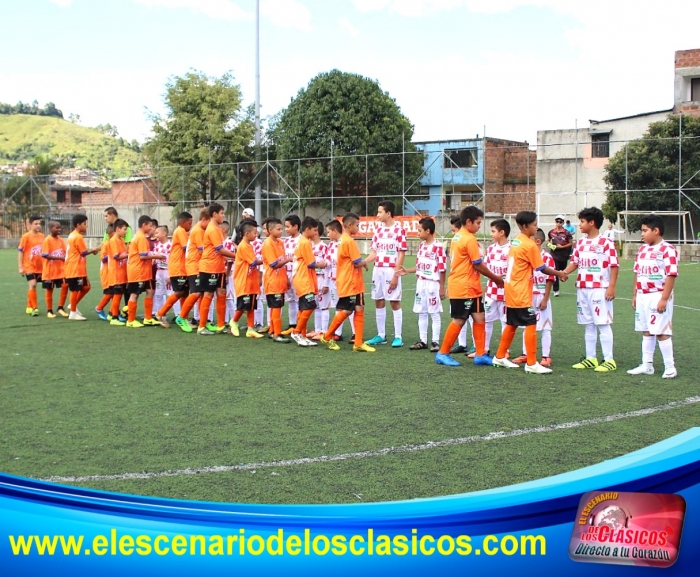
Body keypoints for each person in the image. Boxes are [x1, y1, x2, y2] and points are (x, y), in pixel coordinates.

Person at [491, 211, 568, 374]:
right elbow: (541, 268)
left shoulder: (517, 241)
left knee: (512, 324)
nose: (536, 226)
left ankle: (499, 356)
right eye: (534, 224)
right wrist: (559, 273)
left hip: (511, 288)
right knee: (531, 323)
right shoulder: (528, 244)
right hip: (520, 291)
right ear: (525, 226)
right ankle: (532, 363)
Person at [435, 205, 504, 367]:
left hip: (471, 286)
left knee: (480, 317)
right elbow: (478, 264)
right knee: (459, 319)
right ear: (468, 222)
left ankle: (480, 354)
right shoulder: (468, 239)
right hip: (463, 286)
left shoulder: (459, 236)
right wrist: (496, 279)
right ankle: (442, 352)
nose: (480, 226)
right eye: (478, 223)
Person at [563, 207, 620, 372]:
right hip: (583, 288)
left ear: (592, 222)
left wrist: (611, 287)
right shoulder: (580, 242)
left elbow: (614, 266)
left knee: (602, 323)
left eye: (582, 221)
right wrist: (564, 272)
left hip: (600, 288)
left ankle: (609, 359)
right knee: (588, 324)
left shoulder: (606, 243)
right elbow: (575, 262)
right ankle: (591, 358)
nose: (579, 225)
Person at [627, 215, 679, 379]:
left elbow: (671, 274)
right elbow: (637, 273)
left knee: (661, 330)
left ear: (656, 231)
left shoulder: (667, 250)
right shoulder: (642, 250)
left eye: (644, 230)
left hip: (658, 294)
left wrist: (664, 298)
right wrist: (635, 294)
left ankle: (670, 367)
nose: (641, 234)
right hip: (642, 295)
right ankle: (647, 365)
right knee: (647, 330)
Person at [320, 213, 375, 353]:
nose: (358, 227)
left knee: (359, 308)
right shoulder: (348, 241)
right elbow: (356, 262)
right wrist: (367, 261)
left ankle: (358, 343)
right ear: (349, 225)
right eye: (357, 225)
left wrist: (362, 263)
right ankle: (327, 336)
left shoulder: (345, 240)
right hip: (350, 282)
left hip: (352, 281)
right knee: (346, 310)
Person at [365, 201, 408, 348]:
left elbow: (401, 254)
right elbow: (374, 252)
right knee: (379, 300)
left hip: (391, 270)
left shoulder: (399, 230)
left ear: (388, 213)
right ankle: (381, 335)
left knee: (394, 301)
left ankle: (398, 336)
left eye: (380, 212)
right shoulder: (378, 230)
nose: (377, 215)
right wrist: (364, 261)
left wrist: (396, 275)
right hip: (378, 270)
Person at [399, 217, 446, 352]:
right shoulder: (421, 246)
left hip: (433, 284)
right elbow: (419, 266)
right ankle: (423, 340)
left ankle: (435, 342)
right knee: (421, 312)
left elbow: (442, 269)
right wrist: (407, 271)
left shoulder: (438, 247)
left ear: (428, 230)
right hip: (421, 283)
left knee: (434, 313)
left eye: (419, 230)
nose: (417, 233)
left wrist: (442, 287)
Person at [512, 229, 555, 366]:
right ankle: (526, 354)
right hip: (527, 296)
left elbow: (550, 278)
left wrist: (545, 298)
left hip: (541, 295)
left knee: (546, 326)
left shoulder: (546, 257)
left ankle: (545, 356)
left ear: (537, 241)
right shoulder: (527, 255)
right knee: (527, 325)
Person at [197, 203, 237, 335]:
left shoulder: (217, 228)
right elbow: (220, 250)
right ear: (214, 214)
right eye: (221, 213)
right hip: (209, 267)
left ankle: (220, 325)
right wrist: (237, 256)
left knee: (221, 293)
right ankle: (201, 326)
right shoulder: (213, 229)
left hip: (219, 267)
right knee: (208, 295)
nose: (223, 215)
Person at [173, 208, 210, 333]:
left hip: (197, 265)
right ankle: (181, 317)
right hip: (194, 265)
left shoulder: (198, 230)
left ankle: (202, 321)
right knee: (195, 293)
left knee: (201, 293)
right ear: (205, 219)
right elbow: (201, 249)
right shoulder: (198, 231)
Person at [125, 215, 165, 328]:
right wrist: (157, 256)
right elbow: (143, 256)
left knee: (150, 291)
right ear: (144, 225)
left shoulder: (139, 236)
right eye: (150, 225)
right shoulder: (141, 238)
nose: (152, 228)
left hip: (143, 271)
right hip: (137, 271)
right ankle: (130, 320)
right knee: (134, 294)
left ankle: (148, 318)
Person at [156, 212, 192, 328]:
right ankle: (160, 313)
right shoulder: (180, 231)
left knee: (185, 293)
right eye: (189, 223)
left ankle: (184, 318)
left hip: (182, 267)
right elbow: (186, 248)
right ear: (183, 222)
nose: (191, 225)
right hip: (178, 267)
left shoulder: (182, 231)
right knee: (180, 292)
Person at [291, 216, 323, 346]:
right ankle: (297, 332)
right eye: (314, 230)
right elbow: (311, 263)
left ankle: (302, 336)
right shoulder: (305, 243)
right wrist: (323, 263)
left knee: (303, 308)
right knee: (310, 306)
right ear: (307, 229)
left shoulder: (303, 241)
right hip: (304, 279)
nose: (316, 233)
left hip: (302, 277)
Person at [229, 221, 264, 338]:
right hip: (244, 281)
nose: (256, 235)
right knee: (243, 306)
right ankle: (233, 321)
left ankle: (250, 328)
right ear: (247, 233)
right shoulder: (243, 246)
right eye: (254, 233)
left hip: (251, 280)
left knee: (251, 306)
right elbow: (253, 262)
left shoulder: (249, 245)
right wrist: (268, 259)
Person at [261, 218, 293, 342]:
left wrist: (286, 279)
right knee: (276, 307)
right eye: (278, 229)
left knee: (276, 306)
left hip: (279, 280)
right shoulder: (268, 244)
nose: (281, 231)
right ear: (270, 230)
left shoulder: (280, 242)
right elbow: (274, 264)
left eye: (281, 229)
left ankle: (273, 331)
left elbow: (281, 262)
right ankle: (277, 334)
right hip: (273, 280)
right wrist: (289, 259)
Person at [483, 219, 511, 355]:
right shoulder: (490, 249)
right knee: (487, 320)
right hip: (491, 291)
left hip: (506, 292)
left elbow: (513, 271)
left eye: (493, 231)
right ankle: (484, 349)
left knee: (505, 321)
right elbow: (485, 268)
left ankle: (504, 350)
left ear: (502, 232)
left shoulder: (512, 250)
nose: (491, 234)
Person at [64, 214, 100, 320]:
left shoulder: (73, 235)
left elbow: (81, 250)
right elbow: (84, 252)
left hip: (76, 267)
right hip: (74, 268)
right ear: (78, 225)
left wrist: (92, 250)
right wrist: (95, 249)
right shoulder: (78, 237)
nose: (86, 226)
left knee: (86, 287)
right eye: (84, 224)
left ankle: (72, 305)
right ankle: (73, 313)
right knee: (75, 289)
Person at [447, 215, 473, 355]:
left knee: (472, 316)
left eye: (453, 230)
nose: (453, 234)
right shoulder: (455, 242)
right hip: (458, 283)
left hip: (466, 285)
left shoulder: (466, 241)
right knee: (460, 316)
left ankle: (475, 346)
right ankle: (462, 344)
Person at [325, 219, 353, 341]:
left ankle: (355, 334)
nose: (327, 235)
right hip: (333, 280)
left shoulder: (346, 242)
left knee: (350, 307)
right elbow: (327, 263)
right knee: (338, 306)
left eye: (328, 232)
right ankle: (338, 333)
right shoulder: (330, 246)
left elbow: (353, 261)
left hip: (345, 280)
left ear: (335, 231)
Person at [18, 215, 45, 316]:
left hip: (40, 267)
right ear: (30, 224)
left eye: (39, 224)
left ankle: (29, 306)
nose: (38, 226)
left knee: (33, 286)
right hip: (29, 265)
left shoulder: (42, 236)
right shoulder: (26, 236)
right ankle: (35, 308)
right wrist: (20, 267)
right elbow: (20, 252)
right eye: (36, 224)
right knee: (32, 284)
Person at [40, 220, 67, 319]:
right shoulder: (47, 240)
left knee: (65, 285)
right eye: (57, 228)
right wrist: (60, 258)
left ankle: (60, 307)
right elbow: (45, 255)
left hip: (60, 270)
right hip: (50, 271)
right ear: (50, 228)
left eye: (60, 228)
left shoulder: (60, 240)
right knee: (49, 289)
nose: (59, 229)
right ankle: (49, 310)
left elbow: (64, 252)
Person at [308, 221, 330, 340]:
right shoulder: (309, 246)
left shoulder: (324, 246)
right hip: (312, 279)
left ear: (316, 232)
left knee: (324, 306)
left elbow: (327, 265)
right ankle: (317, 330)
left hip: (322, 279)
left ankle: (324, 331)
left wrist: (326, 283)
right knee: (316, 306)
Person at [106, 219, 129, 326]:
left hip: (121, 272)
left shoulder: (120, 240)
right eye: (124, 229)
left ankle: (112, 313)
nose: (126, 232)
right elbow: (116, 256)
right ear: (118, 229)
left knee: (118, 294)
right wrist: (130, 254)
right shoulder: (114, 240)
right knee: (117, 295)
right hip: (116, 273)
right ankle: (114, 317)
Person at [282, 214, 302, 334]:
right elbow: (284, 258)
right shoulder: (286, 241)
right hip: (287, 273)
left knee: (300, 300)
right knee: (291, 300)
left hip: (298, 275)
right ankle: (292, 325)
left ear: (296, 226)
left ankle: (300, 325)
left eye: (288, 226)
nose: (286, 229)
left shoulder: (302, 241)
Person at [547, 214, 573, 296]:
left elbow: (571, 243)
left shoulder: (567, 233)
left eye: (560, 222)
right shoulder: (551, 232)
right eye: (557, 221)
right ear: (555, 222)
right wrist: (552, 246)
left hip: (564, 255)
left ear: (563, 222)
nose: (559, 223)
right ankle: (556, 290)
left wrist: (562, 247)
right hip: (554, 255)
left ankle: (562, 275)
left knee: (562, 271)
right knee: (555, 271)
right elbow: (547, 241)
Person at [94, 224, 115, 320]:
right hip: (106, 272)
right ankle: (99, 308)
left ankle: (113, 312)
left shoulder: (116, 243)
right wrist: (113, 255)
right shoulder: (106, 244)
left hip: (113, 271)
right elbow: (103, 258)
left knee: (116, 292)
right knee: (110, 292)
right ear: (110, 234)